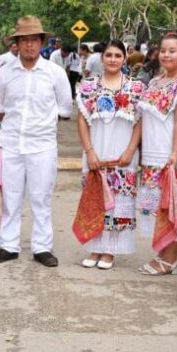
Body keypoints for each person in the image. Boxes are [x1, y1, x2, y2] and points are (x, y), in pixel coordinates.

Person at [0, 16, 73, 267]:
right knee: (10, 198)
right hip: (11, 143)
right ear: (16, 44)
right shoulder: (3, 74)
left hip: (42, 146)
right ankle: (8, 245)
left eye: (34, 40)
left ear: (41, 43)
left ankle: (42, 247)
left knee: (41, 197)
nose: (29, 46)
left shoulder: (55, 73)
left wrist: (41, 126)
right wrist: (15, 128)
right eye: (24, 41)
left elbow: (65, 108)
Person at [75, 40, 143, 269]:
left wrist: (130, 150)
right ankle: (94, 247)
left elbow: (139, 123)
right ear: (101, 58)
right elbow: (82, 120)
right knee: (95, 200)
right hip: (96, 151)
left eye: (117, 55)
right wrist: (89, 151)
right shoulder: (89, 86)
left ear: (125, 59)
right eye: (108, 55)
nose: (113, 59)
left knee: (119, 202)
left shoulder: (135, 88)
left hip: (122, 154)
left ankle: (111, 250)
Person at [138, 34, 177, 276]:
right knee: (159, 206)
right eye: (163, 50)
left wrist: (174, 154)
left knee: (175, 205)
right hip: (153, 152)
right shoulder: (155, 82)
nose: (166, 55)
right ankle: (162, 252)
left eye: (172, 51)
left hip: (175, 154)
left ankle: (170, 258)